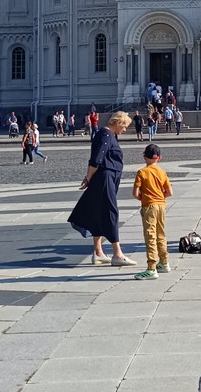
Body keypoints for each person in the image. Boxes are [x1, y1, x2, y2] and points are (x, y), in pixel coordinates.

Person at [68, 112, 135, 264]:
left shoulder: (108, 135)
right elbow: (96, 160)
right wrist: (88, 178)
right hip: (104, 178)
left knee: (100, 211)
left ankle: (98, 251)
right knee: (111, 212)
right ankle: (117, 254)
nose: (124, 130)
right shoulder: (105, 135)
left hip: (107, 178)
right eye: (124, 126)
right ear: (118, 123)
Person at [132, 142, 173, 280]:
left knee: (150, 236)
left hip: (149, 206)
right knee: (161, 234)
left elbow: (135, 193)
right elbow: (169, 192)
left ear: (144, 157)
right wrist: (159, 197)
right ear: (159, 158)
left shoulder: (142, 172)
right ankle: (164, 262)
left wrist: (144, 199)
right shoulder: (162, 172)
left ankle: (151, 267)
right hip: (161, 205)